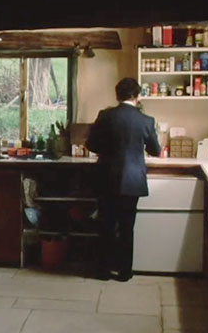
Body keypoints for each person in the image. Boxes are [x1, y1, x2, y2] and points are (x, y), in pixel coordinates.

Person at [86, 77, 161, 282]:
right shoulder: (146, 121)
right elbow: (156, 151)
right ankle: (125, 272)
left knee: (106, 224)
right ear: (137, 97)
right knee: (127, 226)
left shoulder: (105, 116)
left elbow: (91, 144)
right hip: (132, 179)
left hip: (106, 177)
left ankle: (103, 271)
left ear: (117, 96)